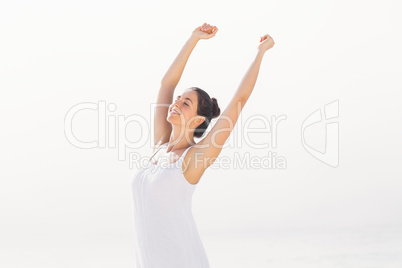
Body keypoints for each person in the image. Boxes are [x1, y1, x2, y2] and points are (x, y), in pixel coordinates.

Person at [131, 22, 275, 268]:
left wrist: (260, 53)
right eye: (178, 99)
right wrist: (193, 39)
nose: (175, 103)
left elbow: (239, 100)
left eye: (185, 103)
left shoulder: (193, 158)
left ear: (198, 119)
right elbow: (167, 84)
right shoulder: (159, 146)